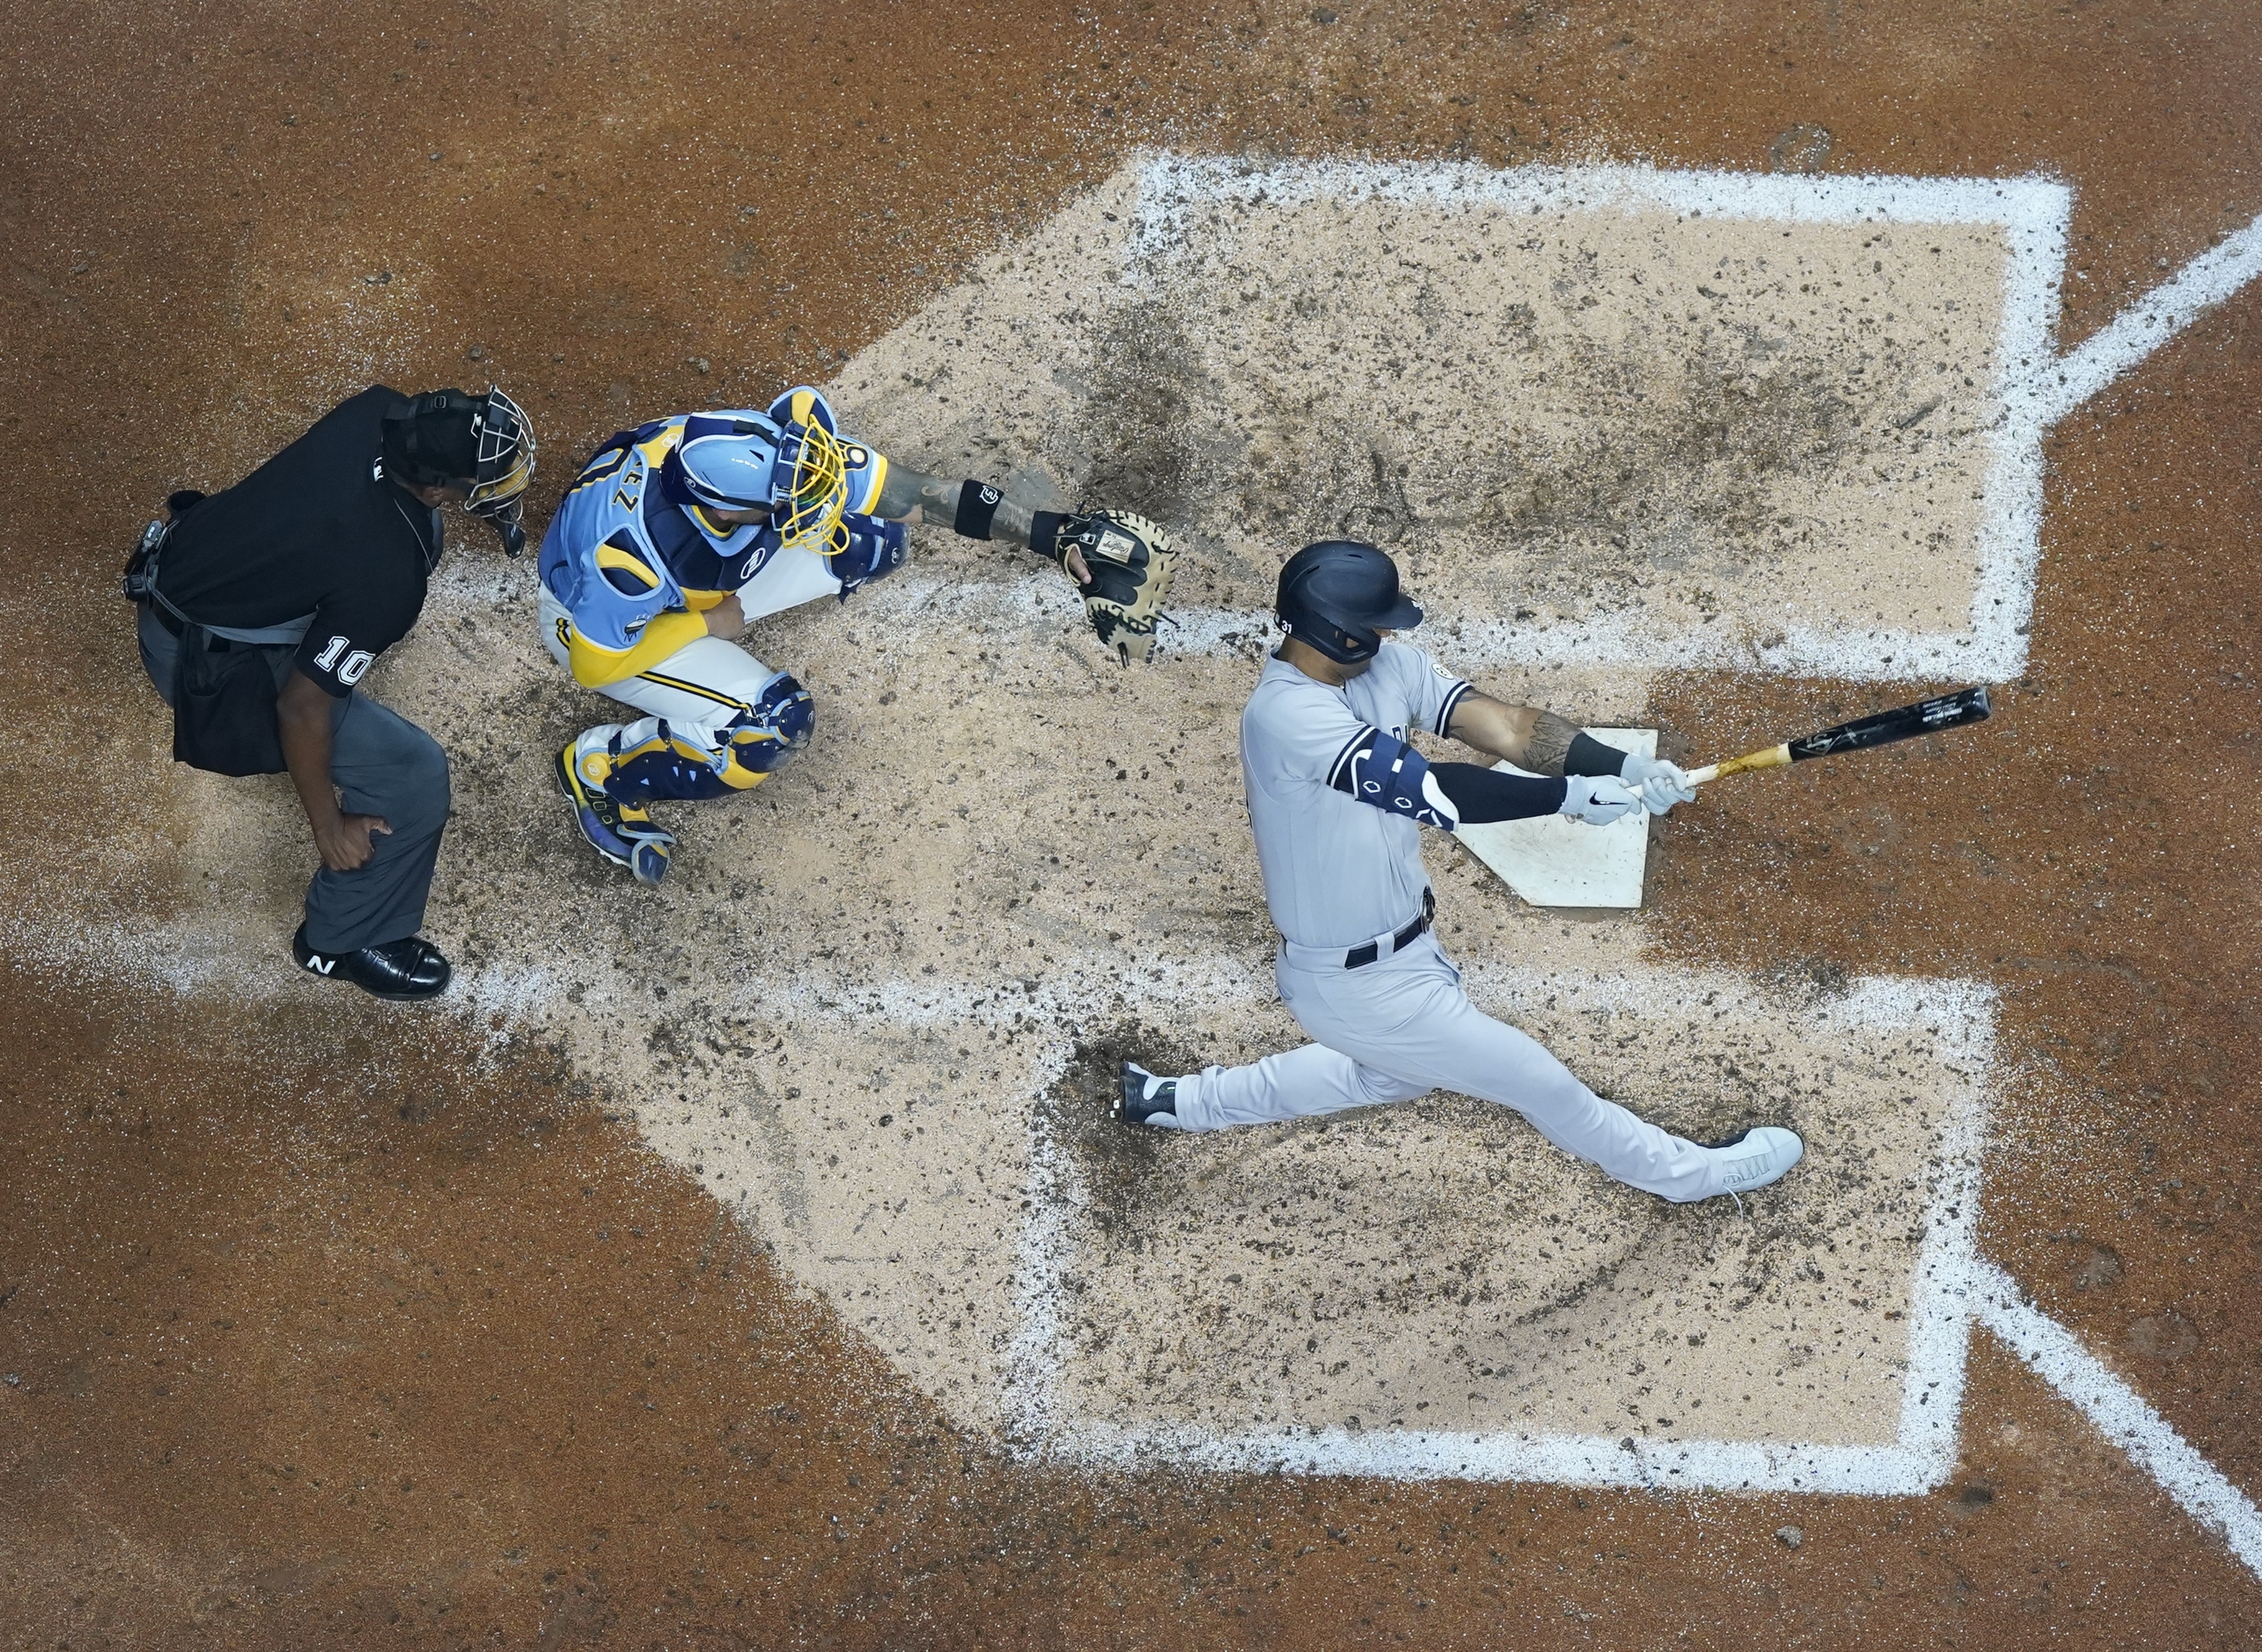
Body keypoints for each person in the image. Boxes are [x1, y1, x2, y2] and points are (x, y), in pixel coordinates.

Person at [1116, 540, 1805, 1204]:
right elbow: (1434, 793)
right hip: (1355, 985)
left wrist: (1620, 766)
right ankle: (1694, 1177)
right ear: (1341, 634)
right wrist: (1566, 800)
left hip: (1404, 954)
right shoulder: (1285, 715)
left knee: (1386, 1075)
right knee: (1541, 1083)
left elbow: (1507, 728)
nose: (1389, 635)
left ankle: (1175, 1101)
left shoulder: (1388, 669)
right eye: (1377, 626)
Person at [537, 384, 1174, 882]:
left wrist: (1051, 535)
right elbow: (595, 665)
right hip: (603, 626)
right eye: (796, 498)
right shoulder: (629, 561)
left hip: (703, 580)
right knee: (775, 727)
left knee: (873, 540)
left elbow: (919, 495)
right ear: (724, 511)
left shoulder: (763, 452)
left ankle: (718, 624)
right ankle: (601, 773)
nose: (817, 494)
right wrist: (708, 624)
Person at [124, 386, 537, 1001]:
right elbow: (301, 706)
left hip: (190, 562)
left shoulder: (377, 410)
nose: (503, 479)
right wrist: (328, 824)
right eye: (480, 478)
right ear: (432, 485)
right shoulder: (385, 575)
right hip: (199, 663)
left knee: (414, 538)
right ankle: (340, 940)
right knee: (414, 774)